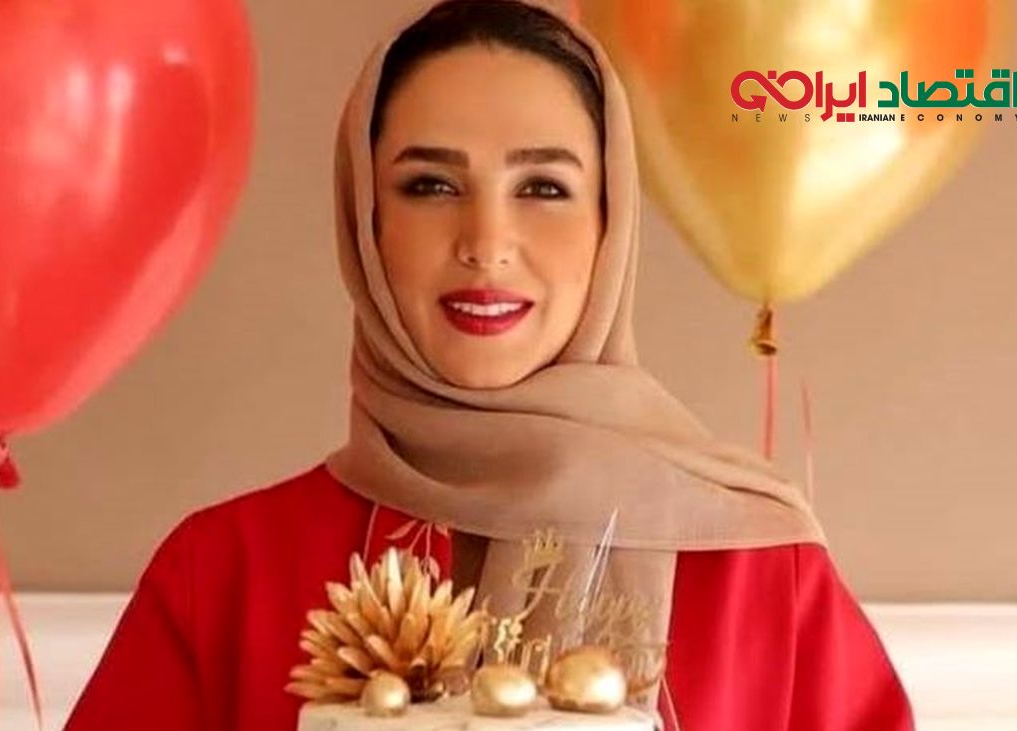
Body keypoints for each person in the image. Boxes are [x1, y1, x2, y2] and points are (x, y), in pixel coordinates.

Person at [66, 1, 913, 728]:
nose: (486, 242)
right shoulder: (225, 573)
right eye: (430, 186)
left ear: (610, 223)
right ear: (366, 220)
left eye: (543, 188)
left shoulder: (763, 576)